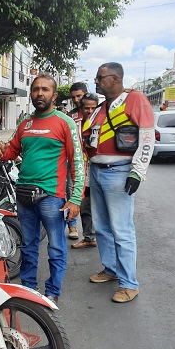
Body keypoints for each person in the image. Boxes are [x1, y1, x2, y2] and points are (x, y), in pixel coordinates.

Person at [0, 73, 85, 303]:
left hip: (52, 197)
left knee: (56, 247)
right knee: (28, 247)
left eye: (45, 89)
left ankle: (52, 292)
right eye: (36, 89)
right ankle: (29, 290)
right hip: (24, 194)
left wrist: (75, 199)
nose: (39, 93)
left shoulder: (65, 122)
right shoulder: (25, 123)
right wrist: (1, 151)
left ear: (54, 95)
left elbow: (77, 163)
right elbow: (12, 151)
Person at [82, 62, 154, 303]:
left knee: (122, 230)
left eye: (100, 77)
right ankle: (111, 269)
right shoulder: (102, 107)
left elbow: (146, 137)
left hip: (119, 172)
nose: (96, 81)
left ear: (115, 78)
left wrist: (137, 171)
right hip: (98, 171)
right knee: (102, 227)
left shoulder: (135, 99)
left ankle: (129, 283)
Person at [71, 92, 100, 249]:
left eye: (93, 108)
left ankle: (107, 240)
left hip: (100, 173)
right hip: (83, 173)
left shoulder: (102, 125)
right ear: (81, 109)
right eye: (86, 108)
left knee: (103, 209)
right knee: (85, 206)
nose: (89, 111)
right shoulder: (75, 126)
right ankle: (89, 237)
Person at [66, 82, 89, 240]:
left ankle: (90, 234)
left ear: (86, 94)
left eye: (79, 96)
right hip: (73, 161)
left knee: (88, 197)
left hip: (92, 162)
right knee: (71, 192)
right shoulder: (71, 116)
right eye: (73, 97)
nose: (75, 99)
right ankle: (72, 226)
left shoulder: (97, 112)